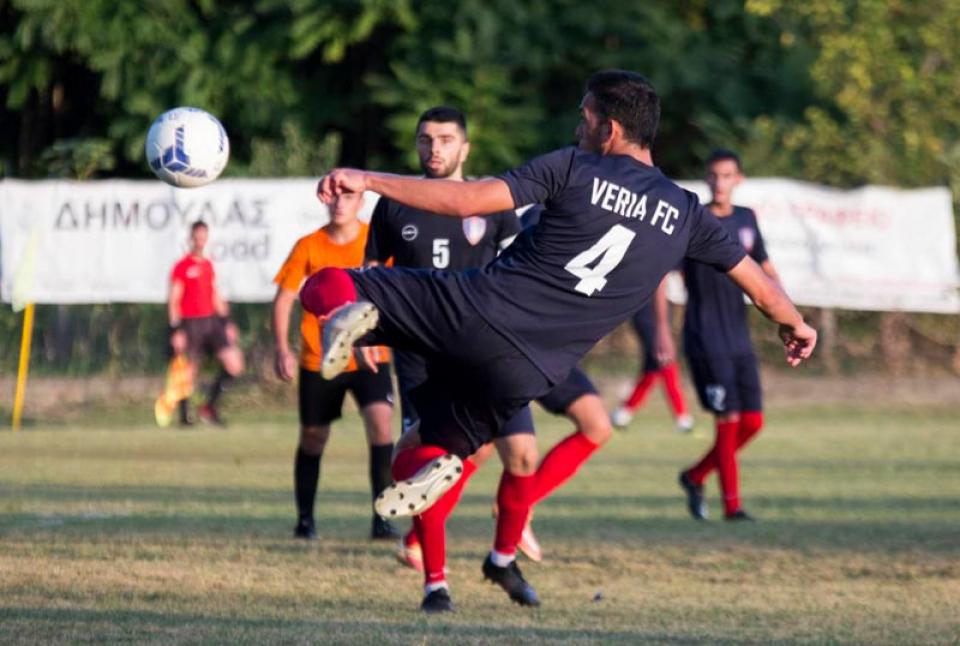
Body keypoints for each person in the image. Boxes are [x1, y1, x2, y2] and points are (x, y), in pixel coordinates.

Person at [303, 69, 817, 611]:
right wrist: (796, 324)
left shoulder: (576, 166)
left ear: (610, 129)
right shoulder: (687, 215)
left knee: (328, 285)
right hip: (528, 372)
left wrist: (367, 178)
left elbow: (469, 200)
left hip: (479, 311)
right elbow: (760, 288)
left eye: (585, 116)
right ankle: (441, 462)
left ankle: (354, 314)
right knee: (425, 449)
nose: (578, 125)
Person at [365, 107, 613, 611]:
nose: (435, 149)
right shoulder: (395, 206)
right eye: (425, 140)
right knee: (430, 463)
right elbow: (371, 270)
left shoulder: (494, 206)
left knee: (520, 454)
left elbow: (520, 267)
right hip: (422, 355)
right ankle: (436, 585)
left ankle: (501, 555)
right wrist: (367, 326)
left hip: (487, 348)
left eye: (445, 139)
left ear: (465, 148)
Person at [272, 191, 398, 541]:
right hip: (321, 359)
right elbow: (285, 298)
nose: (341, 203)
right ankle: (306, 520)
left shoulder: (375, 242)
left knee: (382, 426)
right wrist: (281, 347)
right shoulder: (309, 245)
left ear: (361, 202)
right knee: (313, 437)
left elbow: (392, 292)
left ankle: (382, 519)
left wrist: (385, 336)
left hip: (370, 356)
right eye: (336, 197)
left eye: (349, 196)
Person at [677, 148, 783, 522]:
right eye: (714, 175)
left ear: (738, 179)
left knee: (752, 422)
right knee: (728, 420)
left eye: (727, 176)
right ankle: (732, 506)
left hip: (739, 335)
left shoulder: (746, 218)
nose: (720, 182)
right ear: (707, 178)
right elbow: (663, 273)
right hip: (705, 336)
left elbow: (767, 269)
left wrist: (787, 316)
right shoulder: (693, 219)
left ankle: (695, 475)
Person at [167, 220, 244, 426]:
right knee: (189, 370)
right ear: (191, 238)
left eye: (203, 237)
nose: (200, 241)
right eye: (197, 237)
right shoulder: (182, 267)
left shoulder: (208, 265)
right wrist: (176, 330)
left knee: (234, 364)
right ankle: (184, 417)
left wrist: (227, 322)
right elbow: (174, 300)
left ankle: (209, 406)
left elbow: (216, 295)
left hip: (212, 321)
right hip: (191, 323)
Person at [610, 278, 694, 432]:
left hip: (660, 314)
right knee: (664, 360)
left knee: (653, 367)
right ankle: (682, 416)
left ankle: (624, 412)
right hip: (647, 314)